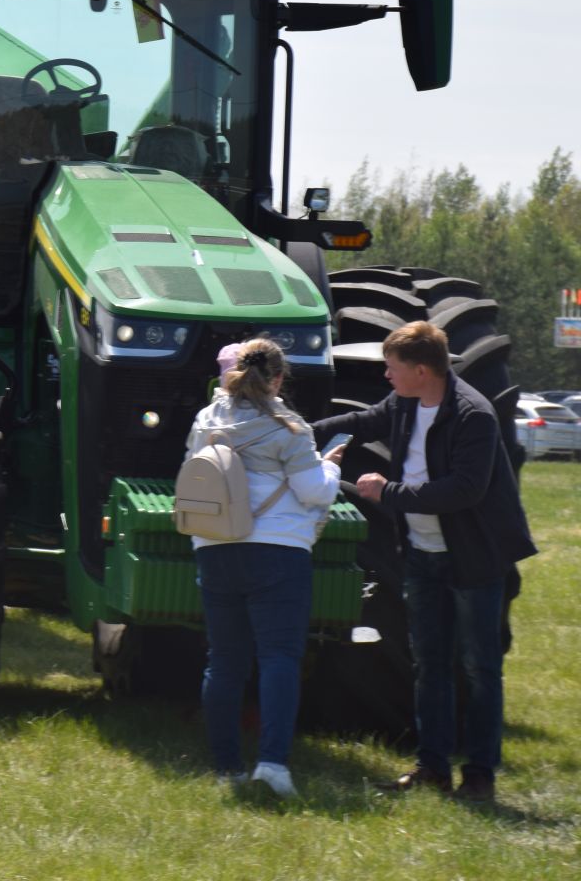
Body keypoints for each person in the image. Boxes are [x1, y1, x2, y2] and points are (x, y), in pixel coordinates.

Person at [311, 321, 536, 804]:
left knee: (478, 669)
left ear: (420, 369)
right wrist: (296, 433)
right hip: (422, 558)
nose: (387, 376)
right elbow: (363, 422)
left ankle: (479, 775)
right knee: (429, 665)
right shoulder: (407, 402)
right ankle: (432, 767)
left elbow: (464, 489)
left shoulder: (473, 415)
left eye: (392, 368)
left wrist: (387, 492)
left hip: (472, 562)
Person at [186, 338, 340, 797]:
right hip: (278, 550)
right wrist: (329, 468)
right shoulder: (289, 427)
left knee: (224, 661)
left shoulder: (206, 420)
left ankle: (226, 767)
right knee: (278, 659)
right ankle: (272, 766)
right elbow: (314, 492)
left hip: (214, 546)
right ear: (278, 379)